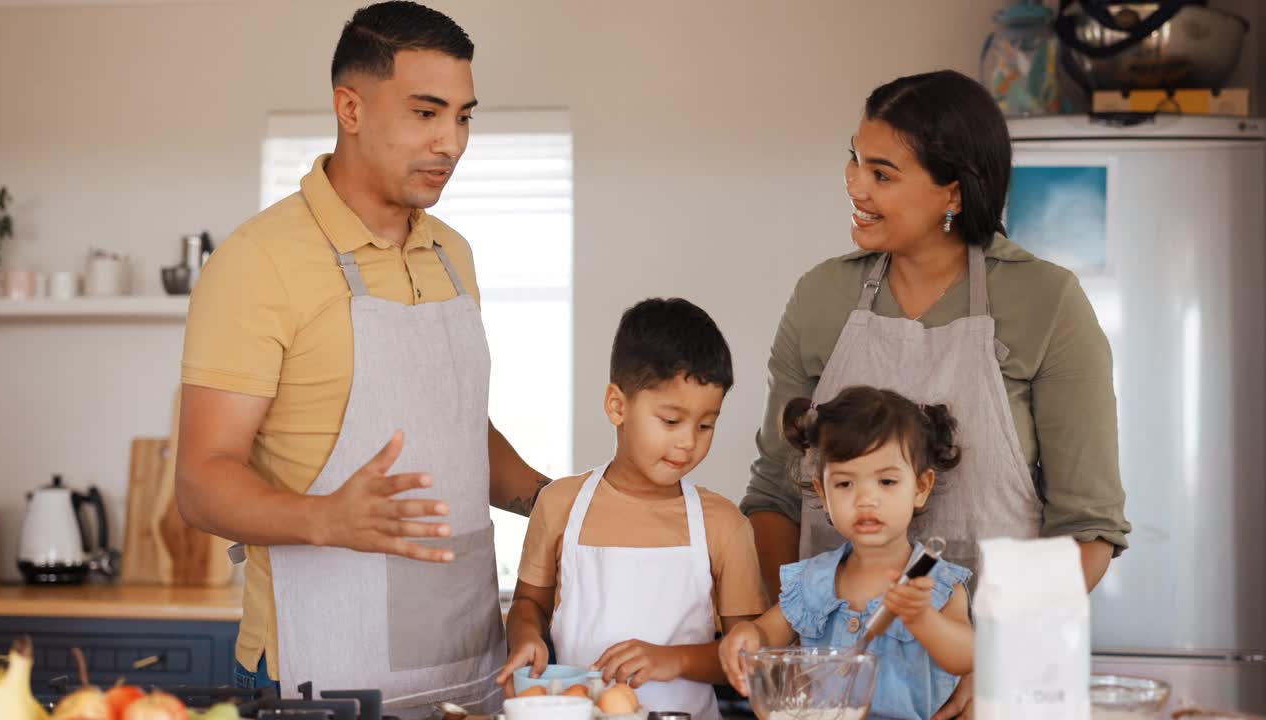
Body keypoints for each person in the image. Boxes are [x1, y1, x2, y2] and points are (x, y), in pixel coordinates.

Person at [174, 3, 549, 717]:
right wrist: (326, 520)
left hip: (468, 659)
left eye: (464, 117)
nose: (451, 142)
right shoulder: (259, 262)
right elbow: (200, 480)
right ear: (350, 107)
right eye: (426, 113)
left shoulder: (451, 252)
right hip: (315, 673)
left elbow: (454, 422)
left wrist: (554, 502)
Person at [739, 69, 1131, 719]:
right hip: (836, 692)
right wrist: (800, 651)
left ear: (953, 190)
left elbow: (1087, 529)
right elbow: (776, 494)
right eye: (854, 160)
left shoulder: (1045, 302)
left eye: (882, 174)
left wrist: (996, 658)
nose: (854, 186)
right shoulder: (820, 298)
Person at [496, 298, 770, 720]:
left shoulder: (723, 524)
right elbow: (530, 604)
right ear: (617, 406)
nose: (687, 442)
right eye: (671, 420)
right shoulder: (561, 505)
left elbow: (749, 655)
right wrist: (526, 636)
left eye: (705, 425)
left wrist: (670, 660)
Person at [721, 386, 973, 720]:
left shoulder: (938, 583)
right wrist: (745, 635)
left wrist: (922, 619)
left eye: (886, 482)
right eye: (844, 484)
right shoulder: (813, 580)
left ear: (921, 487)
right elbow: (767, 635)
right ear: (822, 493)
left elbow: (967, 655)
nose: (865, 499)